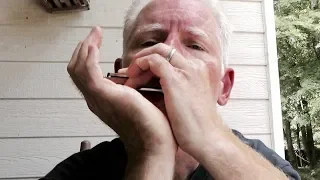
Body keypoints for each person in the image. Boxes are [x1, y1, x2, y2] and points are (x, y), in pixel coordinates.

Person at [40, 0, 301, 179]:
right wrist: (151, 150)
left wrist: (210, 138)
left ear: (225, 87)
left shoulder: (265, 167)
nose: (166, 54)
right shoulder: (78, 173)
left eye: (196, 46)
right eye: (150, 41)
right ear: (121, 73)